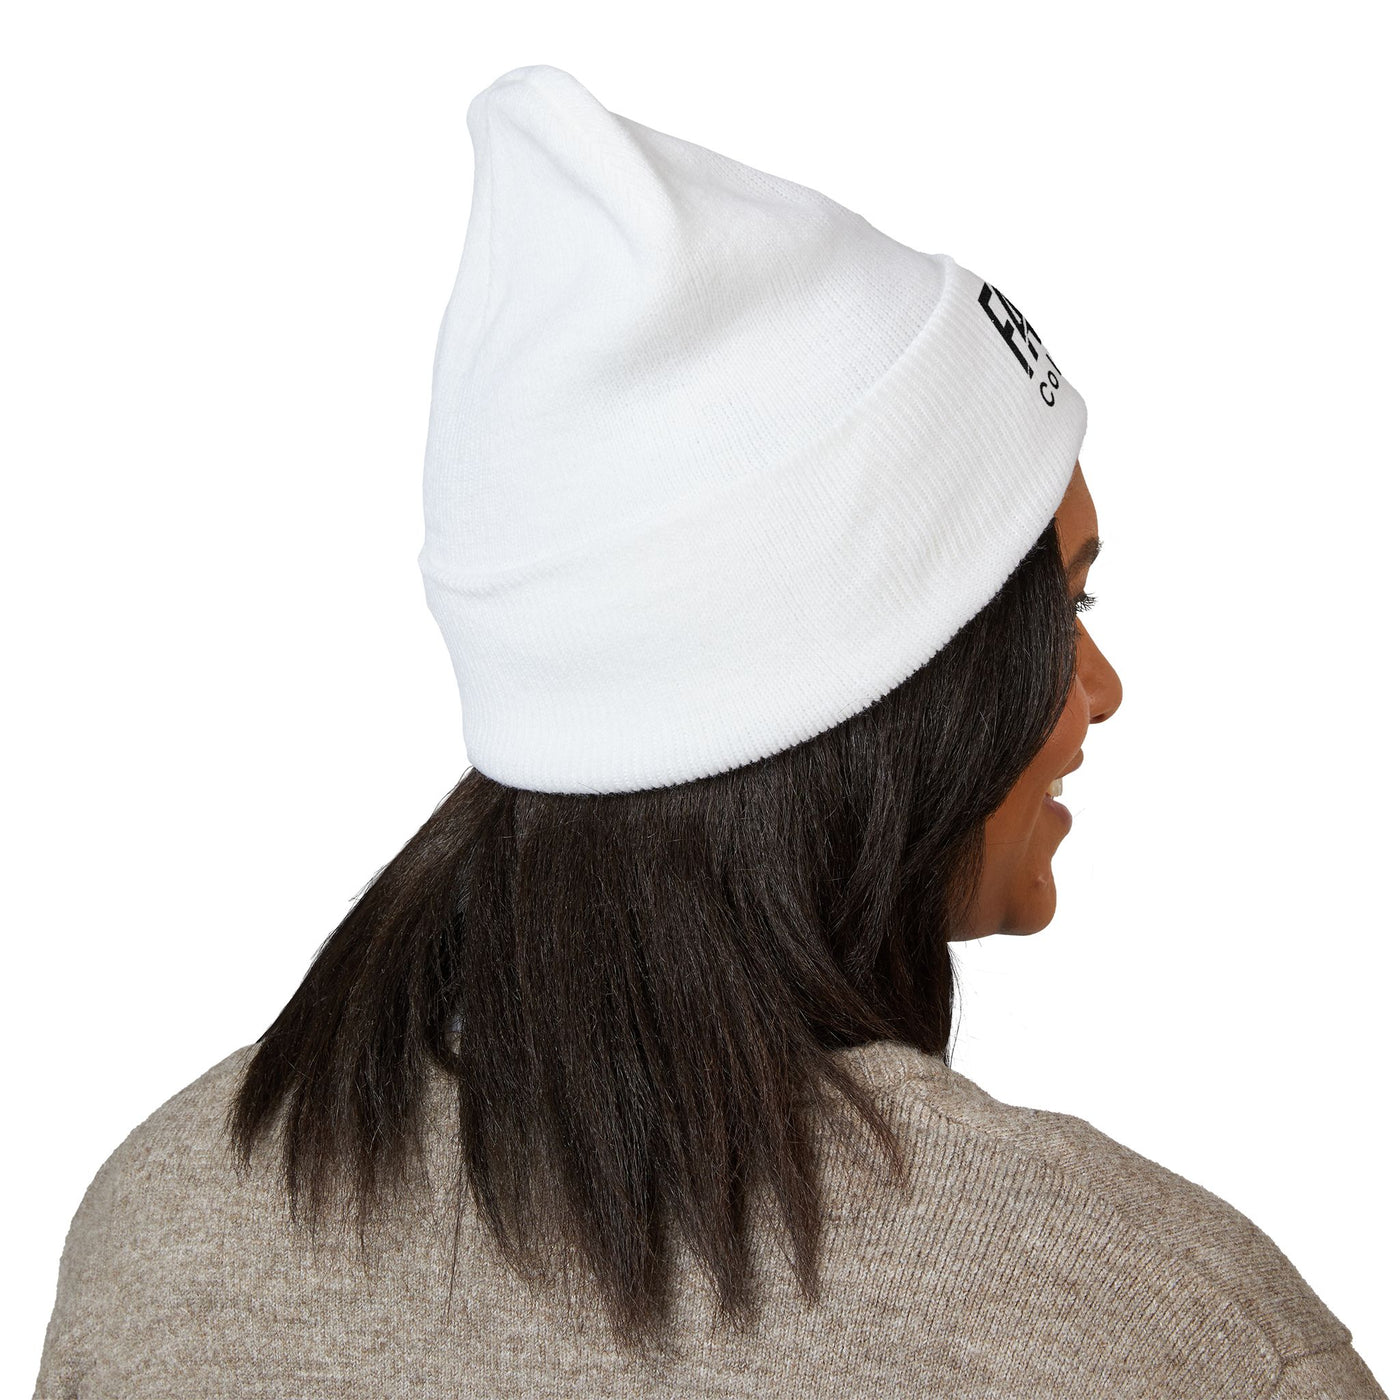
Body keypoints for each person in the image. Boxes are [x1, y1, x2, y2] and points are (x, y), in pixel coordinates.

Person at [32, 63, 1386, 1400]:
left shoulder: (164, 1232)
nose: (1101, 687)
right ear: (889, 686)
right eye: (1060, 609)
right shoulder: (1144, 1326)